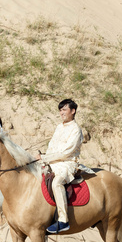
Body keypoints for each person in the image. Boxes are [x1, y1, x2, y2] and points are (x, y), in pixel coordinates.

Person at [36, 99, 84, 233]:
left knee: (57, 183)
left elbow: (66, 152)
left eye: (64, 110)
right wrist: (43, 158)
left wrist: (45, 157)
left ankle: (63, 220)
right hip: (52, 161)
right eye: (60, 110)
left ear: (73, 111)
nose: (61, 113)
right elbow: (52, 147)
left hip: (68, 163)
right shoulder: (59, 127)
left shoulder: (76, 130)